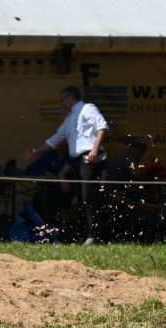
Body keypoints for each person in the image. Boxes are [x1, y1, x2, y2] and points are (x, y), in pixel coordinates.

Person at [23, 85, 109, 244]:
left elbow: (102, 127)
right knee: (80, 198)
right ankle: (84, 234)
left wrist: (95, 149)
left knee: (89, 196)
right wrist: (35, 151)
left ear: (71, 98)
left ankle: (94, 235)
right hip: (76, 161)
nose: (61, 102)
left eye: (62, 99)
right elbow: (55, 139)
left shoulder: (87, 108)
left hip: (89, 157)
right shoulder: (69, 119)